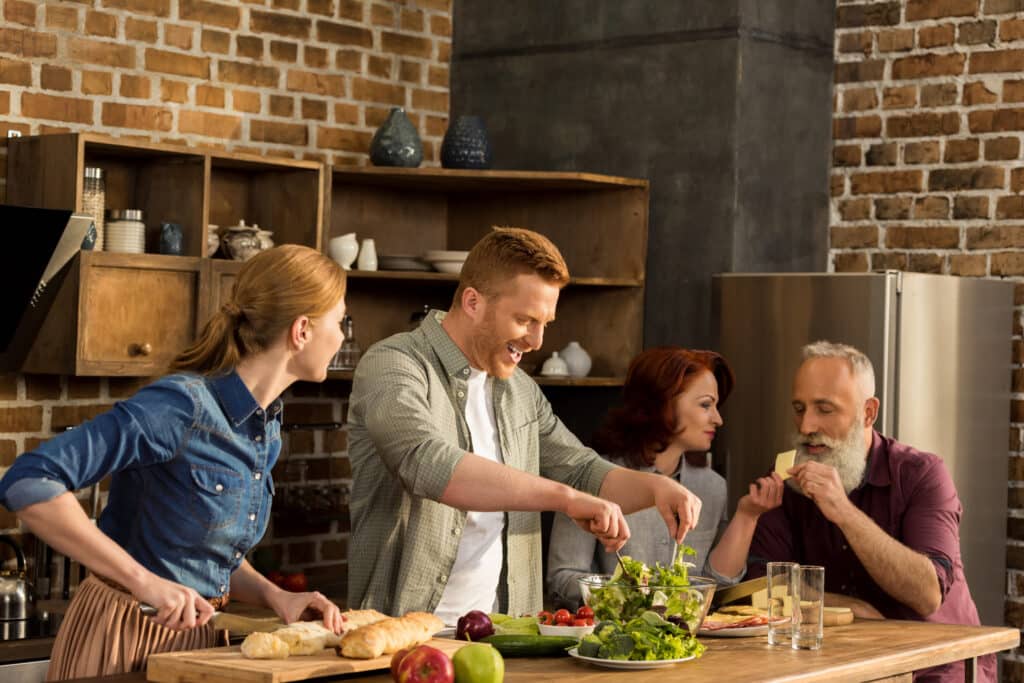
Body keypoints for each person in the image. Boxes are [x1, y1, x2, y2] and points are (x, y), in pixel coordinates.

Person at [0, 245, 348, 680]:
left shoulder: (263, 426)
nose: (343, 336)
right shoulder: (181, 406)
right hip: (123, 635)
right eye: (339, 321)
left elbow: (205, 554)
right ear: (301, 330)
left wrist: (276, 596)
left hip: (198, 643)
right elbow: (29, 480)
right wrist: (143, 581)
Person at [346, 227, 703, 624]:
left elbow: (583, 470)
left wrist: (656, 489)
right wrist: (564, 499)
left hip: (506, 635)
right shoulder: (394, 365)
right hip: (402, 636)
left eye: (545, 322)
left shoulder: (520, 391)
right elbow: (425, 462)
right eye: (524, 320)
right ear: (472, 302)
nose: (537, 340)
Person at [743, 340, 992, 683]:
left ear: (869, 412)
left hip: (934, 668)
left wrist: (843, 511)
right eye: (799, 408)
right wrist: (846, 608)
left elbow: (927, 594)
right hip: (834, 667)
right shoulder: (785, 480)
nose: (805, 426)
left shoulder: (922, 473)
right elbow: (758, 587)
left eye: (824, 409)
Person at [547, 347, 784, 608]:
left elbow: (717, 586)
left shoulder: (713, 487)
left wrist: (747, 515)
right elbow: (562, 578)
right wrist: (630, 593)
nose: (718, 419)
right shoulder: (591, 478)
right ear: (663, 403)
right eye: (706, 405)